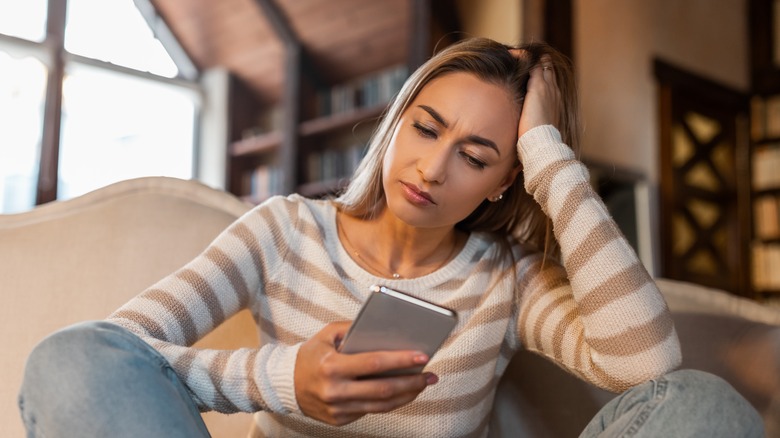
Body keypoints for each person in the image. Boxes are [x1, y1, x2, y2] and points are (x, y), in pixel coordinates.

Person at [19, 37, 763, 437]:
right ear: (396, 120)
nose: (433, 168)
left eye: (476, 157)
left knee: (703, 403)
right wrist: (286, 382)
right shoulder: (285, 231)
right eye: (426, 128)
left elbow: (647, 365)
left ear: (505, 180)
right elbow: (111, 355)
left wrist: (551, 157)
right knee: (66, 357)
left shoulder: (505, 278)